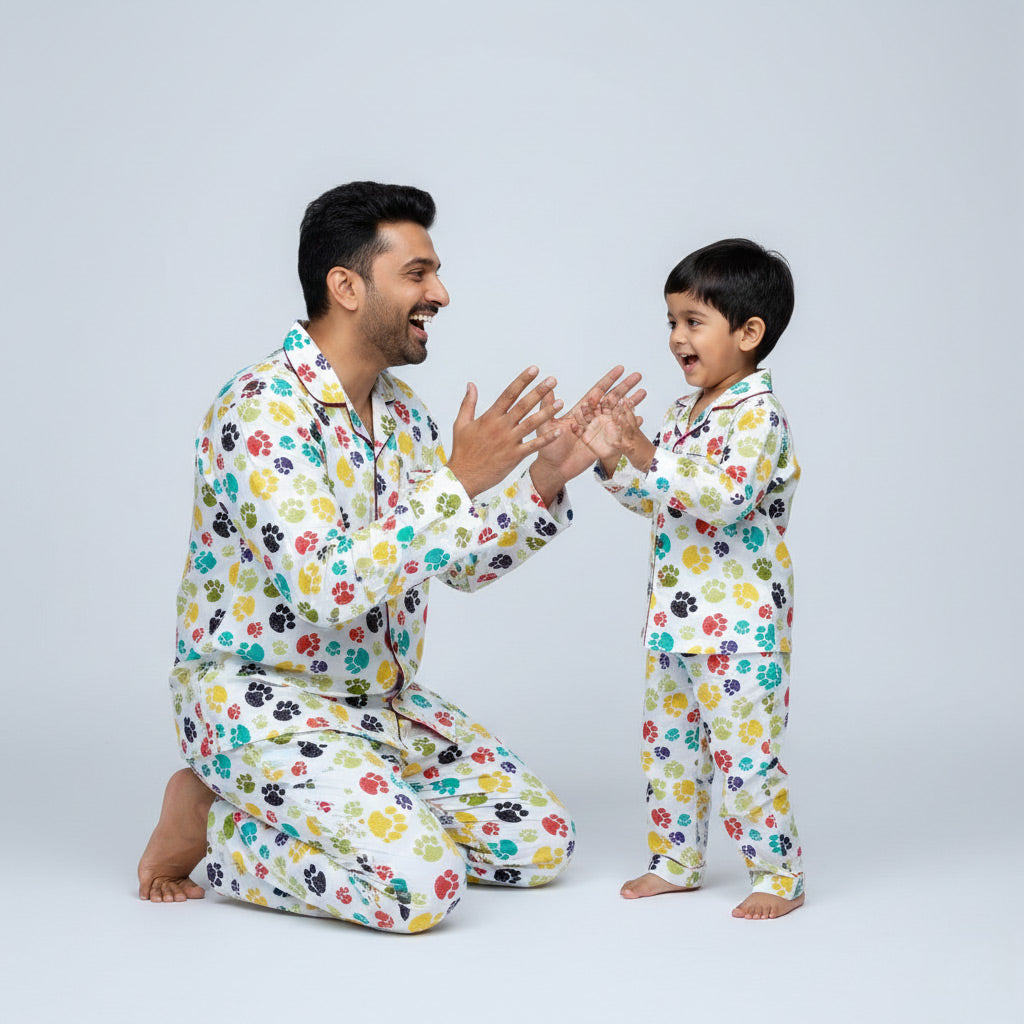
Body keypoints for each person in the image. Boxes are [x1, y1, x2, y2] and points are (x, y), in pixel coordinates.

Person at [138, 181, 644, 933]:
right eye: (417, 273)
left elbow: (457, 564)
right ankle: (208, 821)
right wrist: (459, 481)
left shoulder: (405, 415)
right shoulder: (260, 409)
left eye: (435, 273)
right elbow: (322, 587)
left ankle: (353, 807)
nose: (440, 293)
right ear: (346, 287)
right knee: (420, 889)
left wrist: (543, 480)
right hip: (260, 702)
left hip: (381, 706)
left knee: (540, 845)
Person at [572, 238, 805, 919]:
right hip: (673, 622)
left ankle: (779, 873)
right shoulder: (684, 413)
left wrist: (647, 452)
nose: (676, 337)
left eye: (693, 321)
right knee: (668, 753)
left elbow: (726, 497)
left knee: (746, 758)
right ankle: (675, 861)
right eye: (671, 321)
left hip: (741, 629)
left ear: (749, 332)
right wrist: (614, 460)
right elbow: (662, 501)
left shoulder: (758, 415)